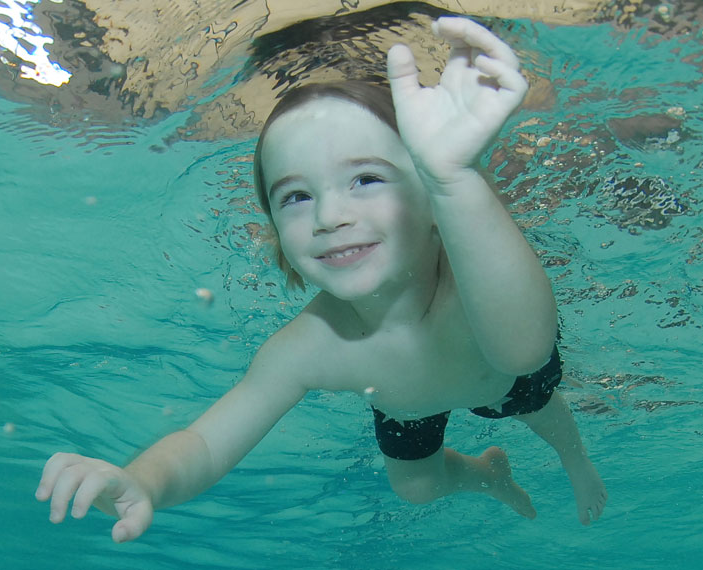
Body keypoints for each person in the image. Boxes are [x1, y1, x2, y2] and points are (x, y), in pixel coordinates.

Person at [35, 16, 607, 543]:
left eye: (365, 179)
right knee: (415, 488)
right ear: (275, 230)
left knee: (542, 412)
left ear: (431, 203)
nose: (329, 217)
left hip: (501, 381)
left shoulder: (475, 284)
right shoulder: (309, 349)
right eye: (297, 196)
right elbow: (205, 444)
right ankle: (487, 476)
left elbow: (524, 349)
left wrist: (453, 178)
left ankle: (576, 463)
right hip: (408, 405)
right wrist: (143, 482)